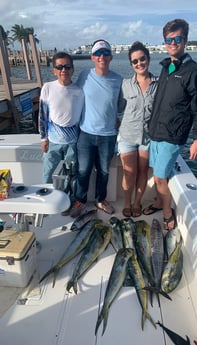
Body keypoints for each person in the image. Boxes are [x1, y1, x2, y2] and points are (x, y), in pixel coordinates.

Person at [143, 19, 197, 231]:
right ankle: (157, 202)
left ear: (185, 40)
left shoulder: (194, 72)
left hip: (173, 136)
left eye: (177, 39)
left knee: (161, 177)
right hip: (156, 131)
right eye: (169, 39)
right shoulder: (166, 67)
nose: (173, 43)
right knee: (156, 173)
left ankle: (168, 212)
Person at [69, 39, 122, 218]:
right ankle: (80, 201)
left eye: (106, 53)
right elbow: (71, 94)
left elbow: (122, 104)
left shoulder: (118, 79)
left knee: (104, 171)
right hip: (86, 133)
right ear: (92, 57)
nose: (102, 57)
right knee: (83, 170)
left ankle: (101, 199)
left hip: (108, 135)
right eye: (98, 53)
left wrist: (119, 119)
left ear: (111, 57)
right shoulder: (84, 75)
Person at [117, 41, 158, 218]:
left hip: (147, 137)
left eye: (142, 59)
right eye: (135, 61)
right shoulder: (125, 84)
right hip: (127, 136)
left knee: (143, 172)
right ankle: (127, 202)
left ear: (148, 59)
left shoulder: (159, 84)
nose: (139, 63)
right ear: (131, 64)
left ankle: (137, 202)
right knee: (129, 172)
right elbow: (118, 108)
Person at [39, 51, 84, 184]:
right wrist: (43, 138)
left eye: (67, 67)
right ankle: (46, 199)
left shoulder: (80, 91)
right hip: (53, 142)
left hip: (72, 143)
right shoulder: (47, 87)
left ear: (73, 70)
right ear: (54, 70)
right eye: (59, 67)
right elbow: (43, 114)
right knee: (47, 173)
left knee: (71, 175)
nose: (63, 70)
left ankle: (68, 199)